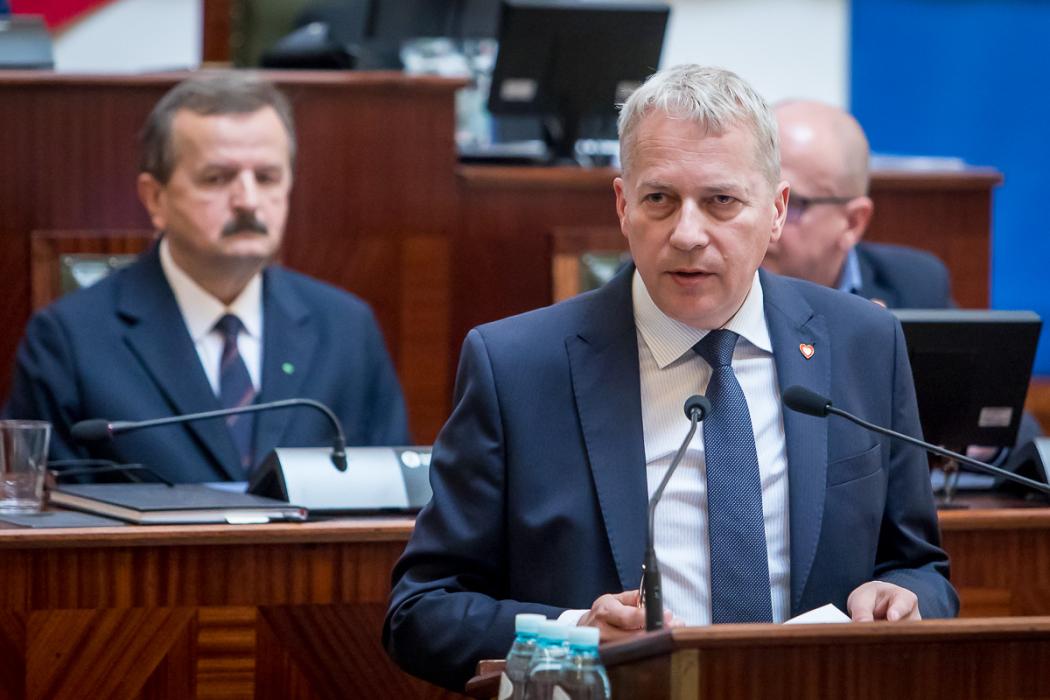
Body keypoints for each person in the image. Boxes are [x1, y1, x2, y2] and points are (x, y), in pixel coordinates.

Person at [384, 64, 957, 691]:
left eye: (721, 202)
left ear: (776, 210)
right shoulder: (516, 366)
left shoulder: (863, 342)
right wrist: (576, 634)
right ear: (623, 206)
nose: (687, 234)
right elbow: (422, 612)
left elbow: (921, 570)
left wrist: (902, 598)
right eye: (659, 199)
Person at [4, 73, 409, 483]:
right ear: (155, 198)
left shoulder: (346, 330)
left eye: (267, 177)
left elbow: (392, 499)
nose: (248, 201)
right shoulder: (70, 341)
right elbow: (44, 508)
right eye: (217, 178)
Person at [762, 99, 952, 308]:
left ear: (853, 222)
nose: (764, 220)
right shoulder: (731, 284)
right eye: (755, 196)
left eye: (791, 202)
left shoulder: (916, 287)